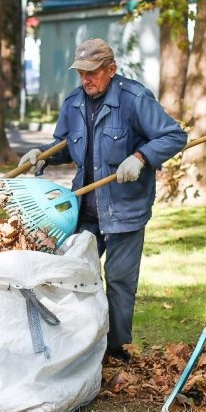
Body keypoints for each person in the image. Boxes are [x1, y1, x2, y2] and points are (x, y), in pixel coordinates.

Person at [19, 38, 187, 364]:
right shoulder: (73, 102)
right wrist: (42, 157)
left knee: (120, 282)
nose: (86, 80)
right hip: (85, 210)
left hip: (125, 208)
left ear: (111, 69)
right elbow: (66, 144)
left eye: (93, 73)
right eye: (81, 73)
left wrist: (140, 157)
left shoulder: (134, 99)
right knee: (75, 276)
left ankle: (117, 352)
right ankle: (78, 347)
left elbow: (174, 135)